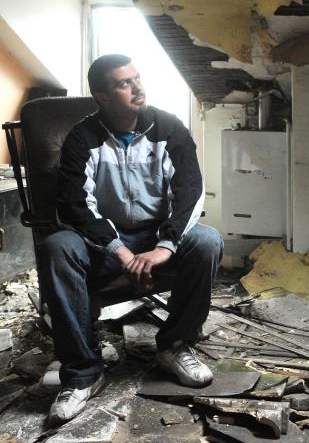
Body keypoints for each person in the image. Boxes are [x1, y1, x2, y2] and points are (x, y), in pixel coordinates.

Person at [41, 54, 223, 423]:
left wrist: (165, 245)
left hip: (157, 237)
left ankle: (174, 345)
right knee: (58, 246)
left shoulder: (168, 127)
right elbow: (74, 205)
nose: (137, 87)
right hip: (106, 244)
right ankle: (82, 373)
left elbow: (190, 192)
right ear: (102, 96)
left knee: (207, 241)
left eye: (137, 78)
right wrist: (120, 251)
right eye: (124, 83)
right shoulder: (82, 138)